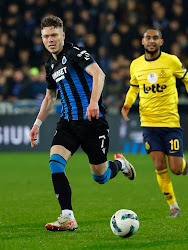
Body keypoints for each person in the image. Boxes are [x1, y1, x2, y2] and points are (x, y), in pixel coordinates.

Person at [29, 15, 136, 232]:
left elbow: (99, 73)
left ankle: (120, 164)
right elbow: (50, 98)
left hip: (91, 123)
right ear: (41, 38)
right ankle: (67, 216)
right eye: (46, 36)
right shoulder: (50, 64)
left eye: (54, 35)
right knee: (55, 162)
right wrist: (37, 124)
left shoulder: (74, 53)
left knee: (101, 177)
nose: (50, 39)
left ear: (63, 35)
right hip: (68, 122)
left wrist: (94, 101)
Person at [121, 28, 188, 218]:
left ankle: (182, 163)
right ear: (142, 42)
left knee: (176, 169)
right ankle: (174, 207)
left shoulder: (171, 61)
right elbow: (134, 87)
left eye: (155, 38)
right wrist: (127, 104)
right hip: (148, 123)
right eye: (148, 38)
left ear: (161, 42)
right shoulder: (136, 65)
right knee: (158, 165)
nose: (151, 41)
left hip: (170, 123)